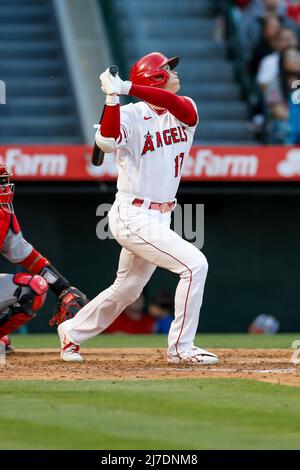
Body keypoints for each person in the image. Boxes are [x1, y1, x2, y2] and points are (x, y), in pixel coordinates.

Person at [57, 52, 219, 366]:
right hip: (132, 213)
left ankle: (72, 331)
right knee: (195, 265)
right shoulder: (130, 114)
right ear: (156, 77)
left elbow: (181, 108)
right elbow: (105, 141)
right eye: (167, 70)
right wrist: (113, 98)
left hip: (161, 215)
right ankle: (181, 348)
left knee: (128, 289)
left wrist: (124, 86)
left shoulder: (184, 108)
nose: (174, 73)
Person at [0, 164, 87, 352]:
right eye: (0, 183)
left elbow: (28, 257)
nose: (5, 188)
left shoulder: (4, 214)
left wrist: (62, 287)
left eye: (5, 182)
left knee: (34, 288)